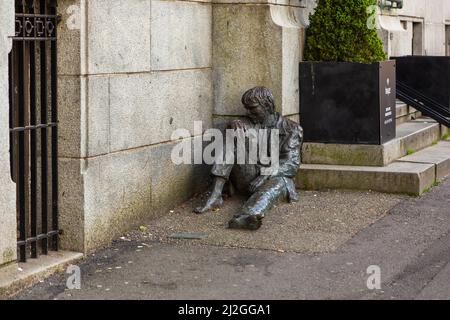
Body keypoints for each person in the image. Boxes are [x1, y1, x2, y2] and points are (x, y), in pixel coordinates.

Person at [194, 87, 303, 230]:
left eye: (252, 108)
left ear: (267, 105)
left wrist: (264, 176)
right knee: (234, 133)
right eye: (246, 108)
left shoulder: (292, 129)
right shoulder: (246, 123)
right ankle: (215, 195)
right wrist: (232, 125)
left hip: (273, 177)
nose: (248, 112)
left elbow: (291, 164)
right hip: (247, 176)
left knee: (276, 185)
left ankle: (247, 216)